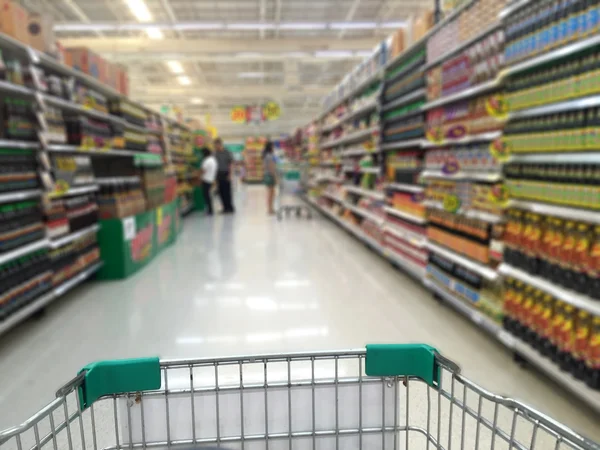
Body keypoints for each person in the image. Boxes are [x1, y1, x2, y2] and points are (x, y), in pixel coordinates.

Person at [214, 138, 235, 213]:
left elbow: (231, 164)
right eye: (215, 146)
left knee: (227, 191)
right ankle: (225, 208)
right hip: (218, 174)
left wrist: (230, 174)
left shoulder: (227, 152)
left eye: (217, 145)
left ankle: (230, 208)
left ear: (220, 144)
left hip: (226, 173)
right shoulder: (215, 153)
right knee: (221, 192)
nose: (216, 147)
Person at [200, 147, 217, 215]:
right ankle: (210, 209)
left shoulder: (206, 161)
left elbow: (203, 170)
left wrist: (198, 175)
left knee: (206, 196)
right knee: (208, 195)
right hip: (211, 179)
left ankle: (210, 210)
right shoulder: (213, 160)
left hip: (206, 180)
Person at [263, 141, 277, 215]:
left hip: (266, 175)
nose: (274, 147)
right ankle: (270, 209)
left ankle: (270, 208)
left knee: (270, 193)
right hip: (270, 175)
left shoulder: (266, 155)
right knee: (271, 193)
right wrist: (275, 177)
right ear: (270, 147)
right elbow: (272, 167)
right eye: (273, 146)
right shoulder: (270, 156)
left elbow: (265, 166)